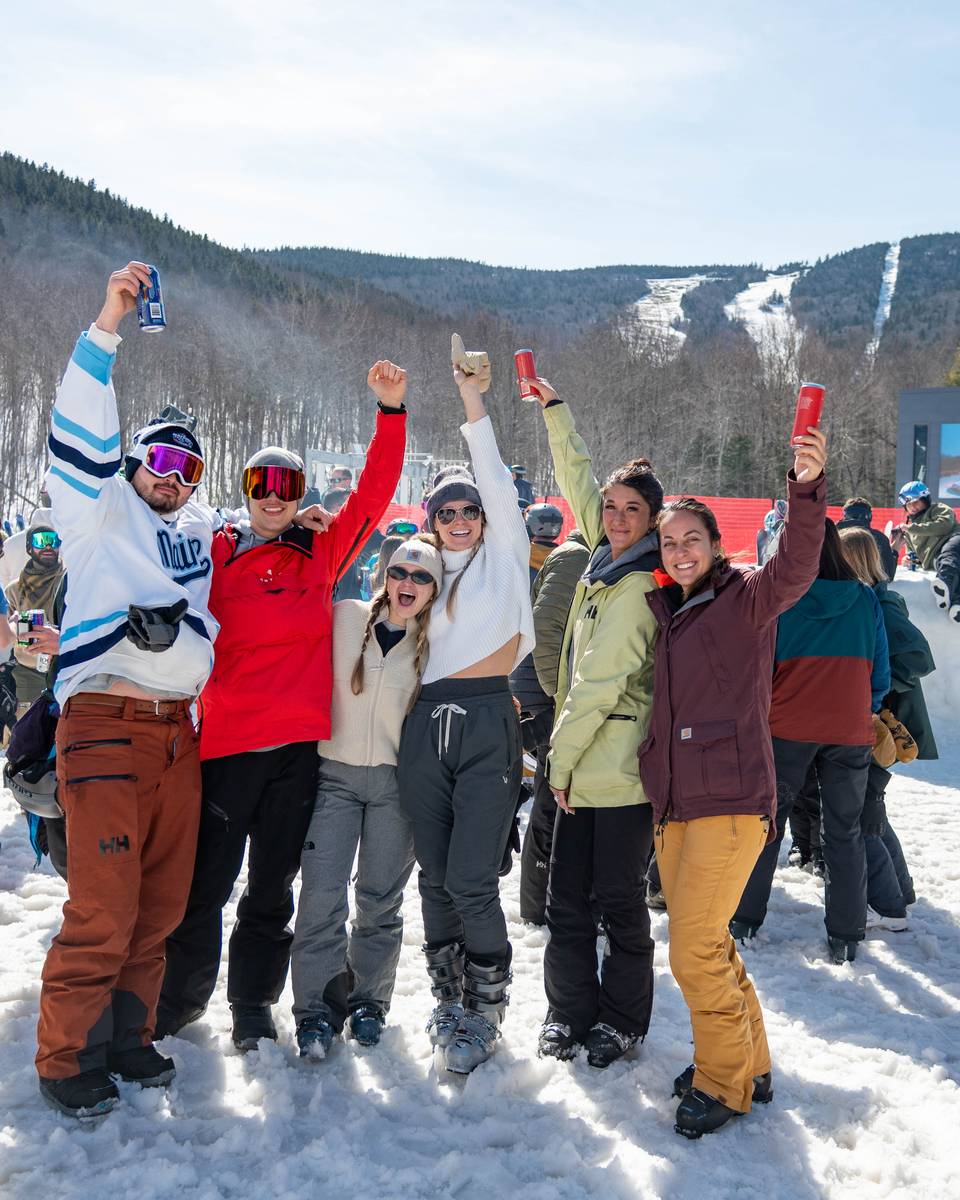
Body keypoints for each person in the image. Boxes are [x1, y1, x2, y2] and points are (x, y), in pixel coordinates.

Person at [159, 363, 407, 1050]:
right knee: (205, 887)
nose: (272, 496)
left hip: (297, 754)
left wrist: (390, 411)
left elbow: (375, 493)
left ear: (300, 495)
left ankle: (251, 1006)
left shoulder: (321, 553)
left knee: (271, 890)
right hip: (226, 747)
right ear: (245, 491)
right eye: (260, 483)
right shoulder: (213, 550)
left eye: (286, 485)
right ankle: (179, 1000)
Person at [36, 261, 220, 1120]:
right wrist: (108, 325)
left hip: (178, 734)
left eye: (190, 467)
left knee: (159, 904)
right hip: (107, 720)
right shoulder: (99, 509)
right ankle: (64, 1055)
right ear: (135, 459)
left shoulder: (195, 533)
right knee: (104, 904)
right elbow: (78, 436)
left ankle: (128, 1037)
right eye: (163, 459)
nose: (173, 477)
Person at [639, 423, 827, 1139]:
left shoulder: (745, 597)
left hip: (731, 801)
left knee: (691, 949)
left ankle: (723, 1083)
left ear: (717, 545)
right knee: (710, 944)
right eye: (669, 542)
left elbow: (798, 565)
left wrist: (805, 488)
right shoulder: (670, 612)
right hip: (678, 804)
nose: (680, 550)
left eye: (693, 538)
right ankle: (751, 1061)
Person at [396, 341, 533, 1076]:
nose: (458, 518)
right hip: (423, 726)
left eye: (468, 510)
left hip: (484, 722)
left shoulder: (503, 556)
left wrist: (472, 398)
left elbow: (495, 478)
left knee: (472, 879)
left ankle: (487, 1008)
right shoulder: (417, 571)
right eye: (445, 511)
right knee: (433, 876)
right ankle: (447, 998)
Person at [523, 377, 663, 1069]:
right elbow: (578, 479)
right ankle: (568, 1012)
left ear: (653, 521)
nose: (615, 516)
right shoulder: (606, 554)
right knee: (565, 903)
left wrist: (558, 762)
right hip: (580, 770)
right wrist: (556, 412)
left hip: (616, 774)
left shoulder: (637, 585)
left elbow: (597, 687)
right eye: (610, 507)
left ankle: (621, 1020)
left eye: (632, 510)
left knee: (619, 905)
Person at [290, 539, 441, 1056]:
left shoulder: (436, 642)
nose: (407, 584)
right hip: (335, 776)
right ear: (384, 574)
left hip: (396, 788)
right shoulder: (346, 618)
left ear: (435, 589)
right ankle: (314, 1009)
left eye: (421, 577)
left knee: (380, 900)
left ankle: (368, 1003)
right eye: (399, 572)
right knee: (321, 895)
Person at [731, 520, 889, 963]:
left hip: (786, 727)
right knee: (844, 830)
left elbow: (760, 667)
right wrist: (865, 706)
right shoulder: (865, 598)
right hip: (850, 729)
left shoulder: (780, 599)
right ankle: (846, 934)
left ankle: (744, 919)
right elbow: (880, 670)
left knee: (766, 825)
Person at [839, 526, 937, 923]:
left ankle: (889, 903)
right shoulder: (870, 599)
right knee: (869, 806)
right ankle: (900, 891)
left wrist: (879, 690)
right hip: (875, 723)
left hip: (882, 727)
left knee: (863, 810)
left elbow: (919, 656)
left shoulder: (881, 603)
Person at [519, 528, 590, 924]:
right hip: (546, 696)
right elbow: (545, 631)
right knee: (548, 804)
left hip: (554, 694)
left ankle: (548, 901)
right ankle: (535, 908)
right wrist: (557, 700)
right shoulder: (576, 556)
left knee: (556, 801)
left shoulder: (590, 555)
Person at [4, 520, 66, 718]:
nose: (48, 546)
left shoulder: (70, 581)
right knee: (29, 729)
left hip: (66, 667)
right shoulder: (15, 590)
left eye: (53, 541)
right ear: (29, 548)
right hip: (28, 672)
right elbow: (5, 635)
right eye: (41, 541)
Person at [892, 480, 960, 622]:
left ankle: (945, 584)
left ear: (925, 499)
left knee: (949, 556)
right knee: (949, 564)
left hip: (952, 540)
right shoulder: (909, 531)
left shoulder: (937, 509)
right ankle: (957, 605)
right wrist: (910, 560)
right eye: (908, 504)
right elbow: (915, 554)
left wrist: (911, 528)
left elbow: (945, 525)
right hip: (935, 557)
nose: (912, 507)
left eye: (916, 502)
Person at [836, 496, 898, 581]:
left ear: (844, 515)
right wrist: (895, 551)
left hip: (831, 586)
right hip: (867, 587)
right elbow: (888, 575)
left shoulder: (830, 535)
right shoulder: (879, 538)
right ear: (869, 516)